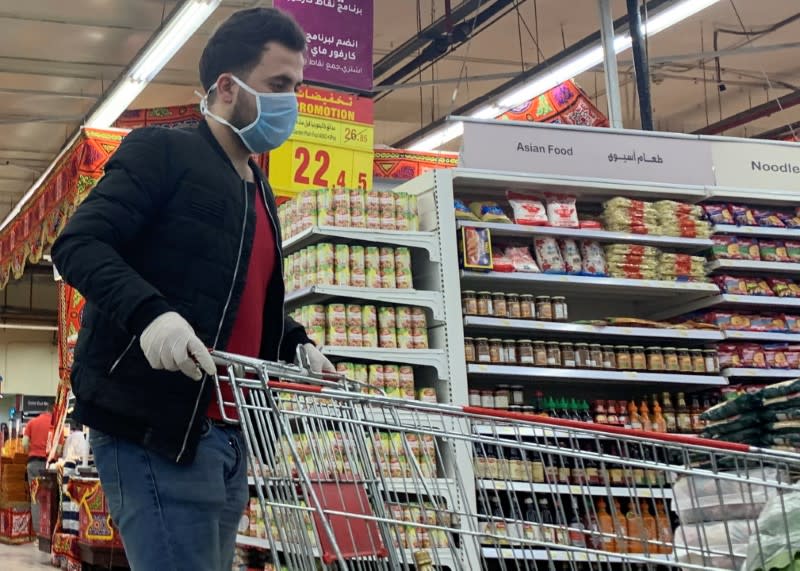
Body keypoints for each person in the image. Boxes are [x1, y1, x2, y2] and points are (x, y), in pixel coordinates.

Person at [51, 8, 334, 571]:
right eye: (279, 85)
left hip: (229, 433)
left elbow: (241, 298)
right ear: (227, 87)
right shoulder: (162, 151)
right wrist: (152, 315)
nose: (292, 103)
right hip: (156, 429)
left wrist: (294, 342)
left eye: (297, 88)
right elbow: (78, 244)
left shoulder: (259, 187)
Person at [23, 404, 54, 531]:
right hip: (49, 466)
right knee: (49, 498)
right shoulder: (56, 426)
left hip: (33, 463)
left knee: (35, 497)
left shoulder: (32, 422)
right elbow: (59, 449)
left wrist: (31, 451)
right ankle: (48, 531)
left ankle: (37, 532)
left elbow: (24, 443)